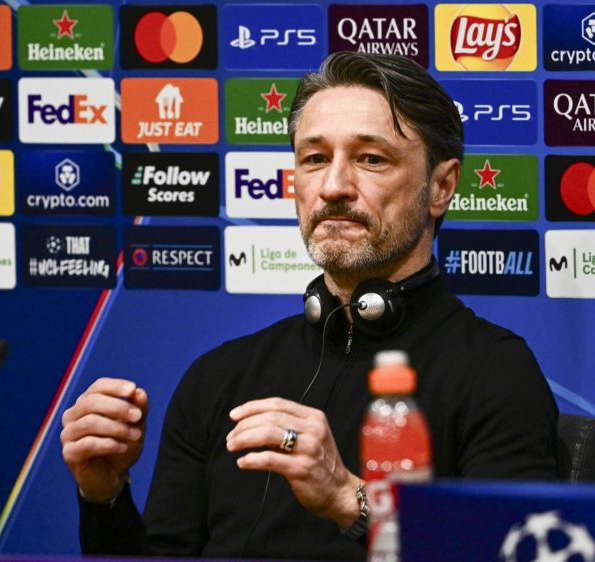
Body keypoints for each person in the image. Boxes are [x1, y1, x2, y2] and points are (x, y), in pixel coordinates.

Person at [61, 52, 558, 561]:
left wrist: (351, 500)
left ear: (441, 187)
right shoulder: (219, 378)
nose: (334, 186)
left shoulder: (496, 372)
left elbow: (510, 553)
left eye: (371, 159)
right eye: (315, 158)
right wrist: (105, 497)